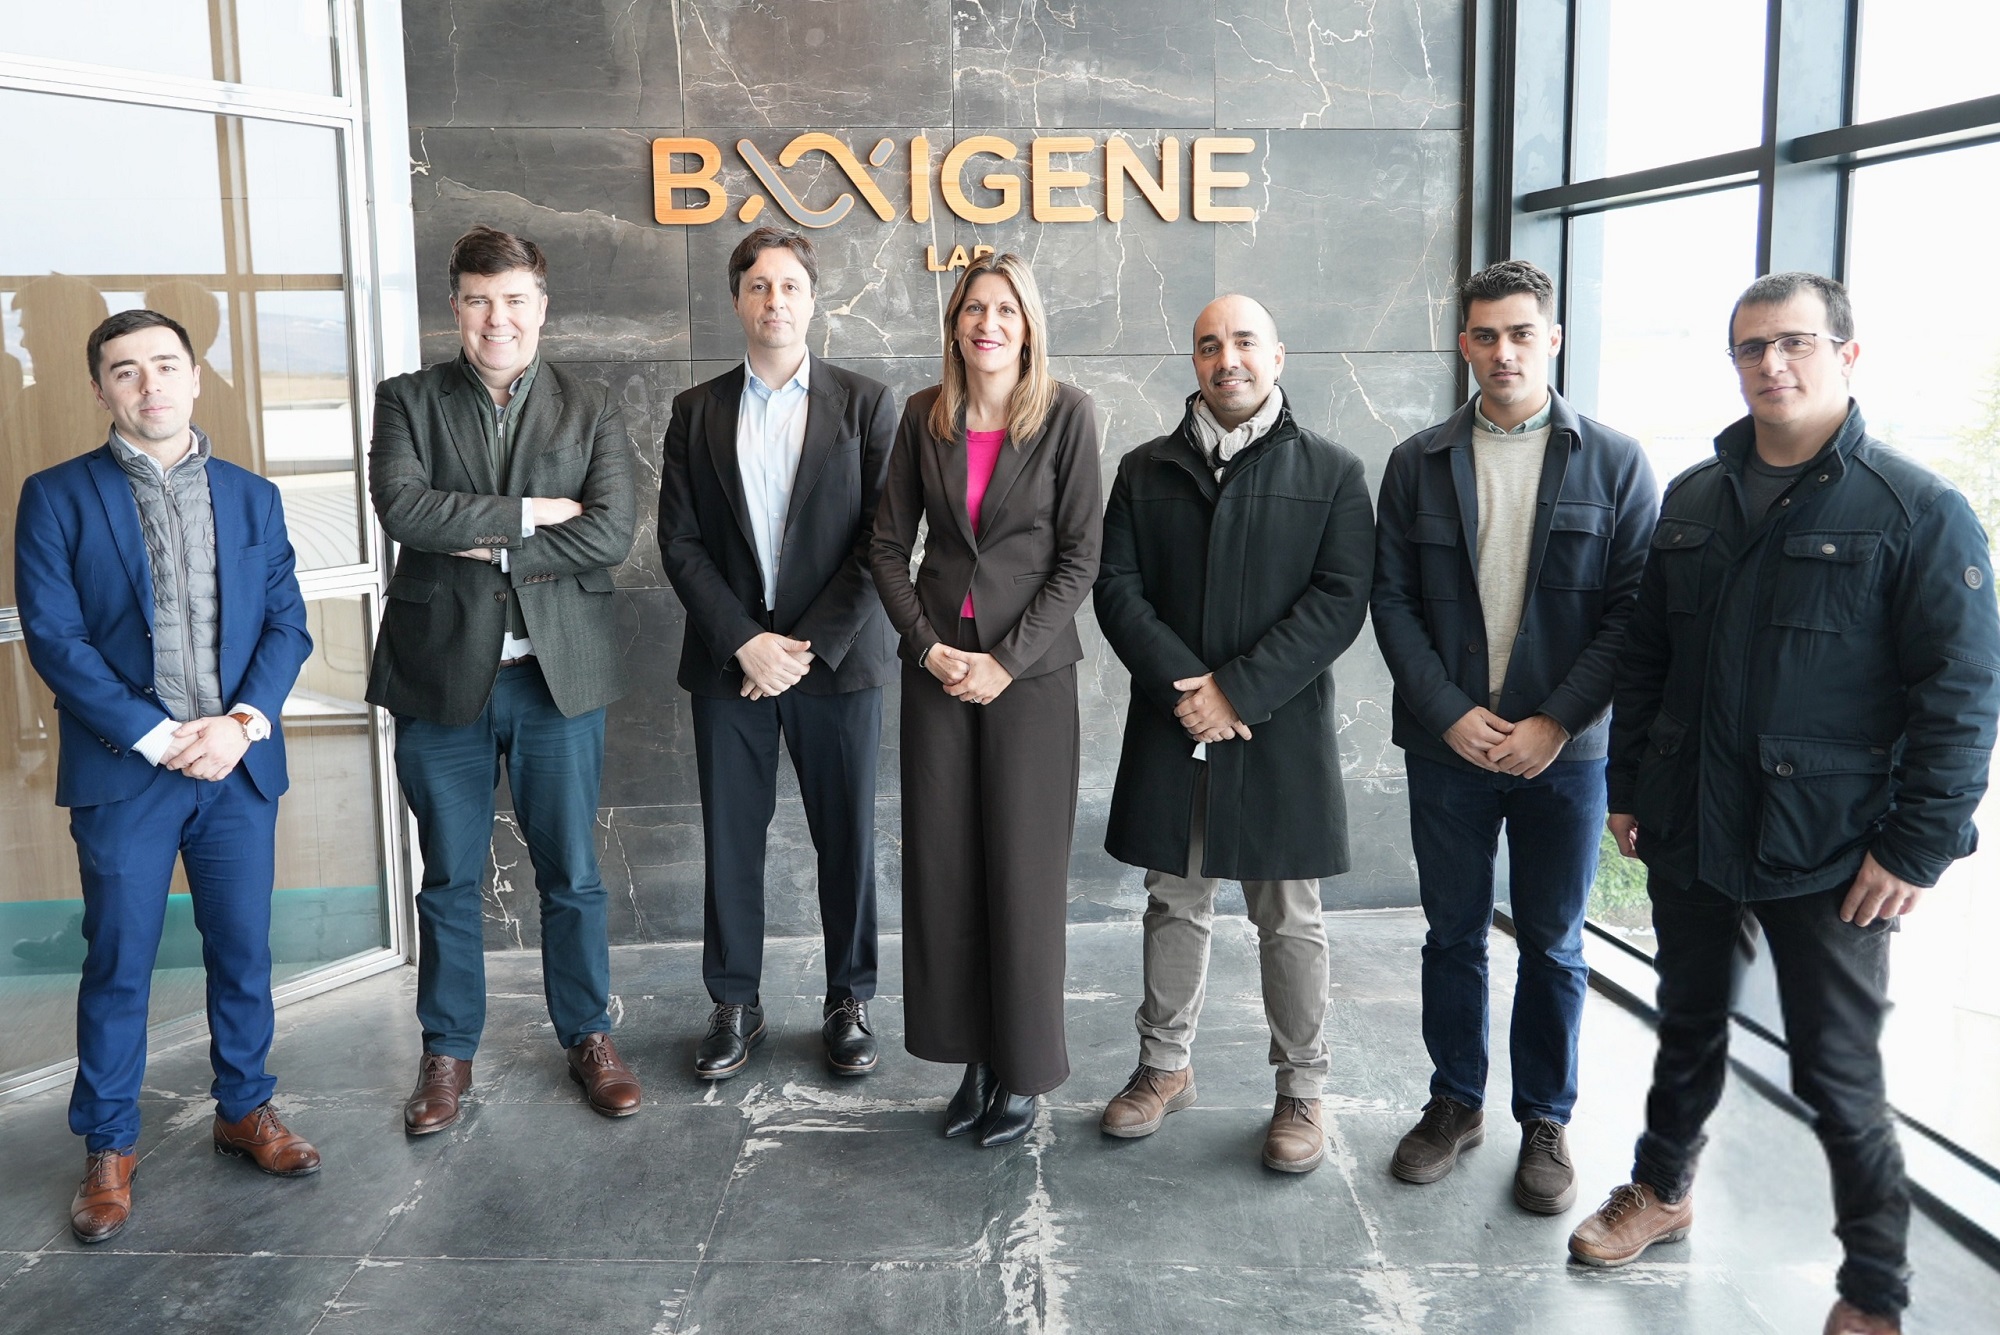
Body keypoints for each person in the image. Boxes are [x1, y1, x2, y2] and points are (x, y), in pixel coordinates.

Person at [1568, 272, 2000, 1335]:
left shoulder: (1916, 510)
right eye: (1751, 347)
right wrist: (1628, 787)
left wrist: (1915, 848)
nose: (1771, 364)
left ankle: (1874, 1292)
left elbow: (1961, 695)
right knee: (1685, 1023)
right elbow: (1647, 661)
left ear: (1846, 354)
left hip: (1831, 848)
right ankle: (1660, 1188)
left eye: (1794, 342)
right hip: (1690, 823)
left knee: (1838, 1077)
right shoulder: (1693, 498)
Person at [14, 308, 318, 1244]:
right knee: (118, 961)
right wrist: (154, 736)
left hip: (236, 768)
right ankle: (108, 1144)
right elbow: (56, 640)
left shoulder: (252, 496)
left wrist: (239, 726)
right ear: (100, 388)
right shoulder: (55, 496)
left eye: (165, 365)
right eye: (126, 370)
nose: (149, 384)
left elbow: (287, 624)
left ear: (193, 374)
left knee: (244, 950)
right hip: (125, 774)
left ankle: (246, 1108)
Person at [1372, 259, 1657, 1211]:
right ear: (1465, 344)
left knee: (1554, 942)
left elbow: (1632, 615)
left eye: (1522, 333)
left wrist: (1555, 721)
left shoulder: (1616, 463)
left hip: (1564, 758)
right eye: (1486, 335)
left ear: (1553, 339)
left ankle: (1545, 1118)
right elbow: (1391, 601)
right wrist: (1449, 713)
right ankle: (1455, 1102)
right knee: (1452, 934)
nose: (1504, 351)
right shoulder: (1417, 461)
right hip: (1447, 749)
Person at [1092, 294, 1374, 1173]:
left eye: (1245, 342)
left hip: (1276, 729)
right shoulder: (1143, 469)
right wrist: (1191, 689)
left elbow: (1339, 600)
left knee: (1288, 912)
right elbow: (1116, 588)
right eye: (1210, 345)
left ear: (1277, 355)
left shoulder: (1333, 471)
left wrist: (1238, 693)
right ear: (1195, 363)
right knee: (1174, 896)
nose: (1228, 360)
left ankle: (1302, 1088)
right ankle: (1164, 1067)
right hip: (1175, 721)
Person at [367, 225, 639, 1133]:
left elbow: (610, 533)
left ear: (541, 307)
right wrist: (531, 514)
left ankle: (589, 1035)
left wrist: (485, 540)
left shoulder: (590, 405)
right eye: (480, 300)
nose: (498, 318)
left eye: (515, 299)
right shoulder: (406, 400)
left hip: (555, 679)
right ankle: (447, 1053)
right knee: (447, 875)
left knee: (572, 873)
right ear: (456, 306)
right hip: (440, 675)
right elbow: (406, 509)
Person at [869, 252, 1102, 1148]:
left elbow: (1079, 558)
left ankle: (1022, 1067)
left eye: (1005, 309)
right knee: (947, 868)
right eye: (974, 308)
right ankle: (971, 1056)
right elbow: (887, 546)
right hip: (937, 675)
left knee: (1022, 872)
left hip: (1028, 681)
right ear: (955, 324)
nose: (988, 323)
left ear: (1028, 325)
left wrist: (1004, 661)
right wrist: (925, 646)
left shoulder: (1067, 415)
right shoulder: (923, 416)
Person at [659, 226, 898, 1080]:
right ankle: (735, 1002)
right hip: (731, 662)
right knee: (732, 838)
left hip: (838, 660)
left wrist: (803, 647)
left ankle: (849, 999)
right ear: (736, 300)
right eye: (759, 286)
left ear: (813, 298)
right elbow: (680, 542)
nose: (775, 300)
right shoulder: (696, 412)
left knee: (848, 839)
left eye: (790, 285)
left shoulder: (866, 404)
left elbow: (882, 540)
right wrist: (746, 641)